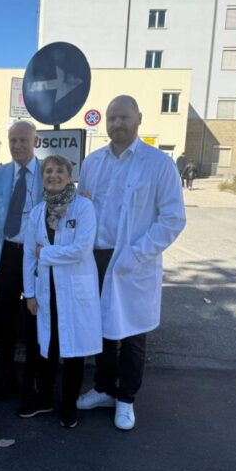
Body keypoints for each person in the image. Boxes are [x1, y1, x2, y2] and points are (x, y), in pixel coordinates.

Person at [77, 95, 186, 430]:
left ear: (138, 118)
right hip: (96, 256)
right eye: (112, 118)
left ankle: (126, 398)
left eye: (124, 117)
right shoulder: (93, 163)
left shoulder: (158, 164)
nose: (117, 124)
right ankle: (104, 388)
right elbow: (83, 208)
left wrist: (137, 254)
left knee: (133, 333)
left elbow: (172, 218)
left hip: (134, 259)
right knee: (102, 328)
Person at [18, 155, 101, 428]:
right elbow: (29, 254)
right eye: (48, 171)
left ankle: (69, 404)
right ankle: (45, 400)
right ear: (42, 177)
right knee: (48, 347)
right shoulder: (38, 212)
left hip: (74, 291)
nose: (53, 175)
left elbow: (81, 250)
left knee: (74, 349)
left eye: (59, 171)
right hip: (46, 290)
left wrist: (45, 253)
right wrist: (29, 293)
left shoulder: (83, 207)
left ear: (69, 176)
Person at [0, 120, 42, 401]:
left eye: (23, 140)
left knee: (34, 318)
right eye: (13, 140)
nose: (17, 145)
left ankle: (32, 377)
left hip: (36, 258)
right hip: (5, 254)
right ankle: (6, 375)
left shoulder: (48, 172)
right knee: (5, 319)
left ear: (35, 141)